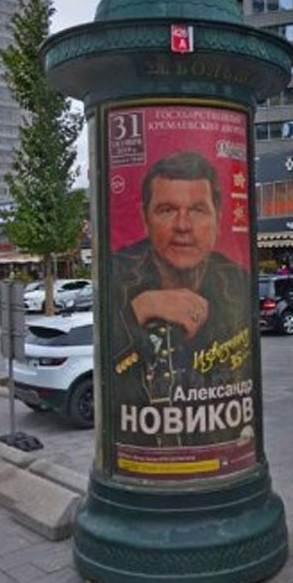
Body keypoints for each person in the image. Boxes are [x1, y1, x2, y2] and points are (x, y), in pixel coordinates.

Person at [108, 151, 253, 449]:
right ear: (145, 218)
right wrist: (140, 308)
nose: (183, 226)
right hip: (141, 449)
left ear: (218, 218)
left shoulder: (237, 280)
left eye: (198, 210)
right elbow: (103, 363)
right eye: (167, 210)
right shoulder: (114, 274)